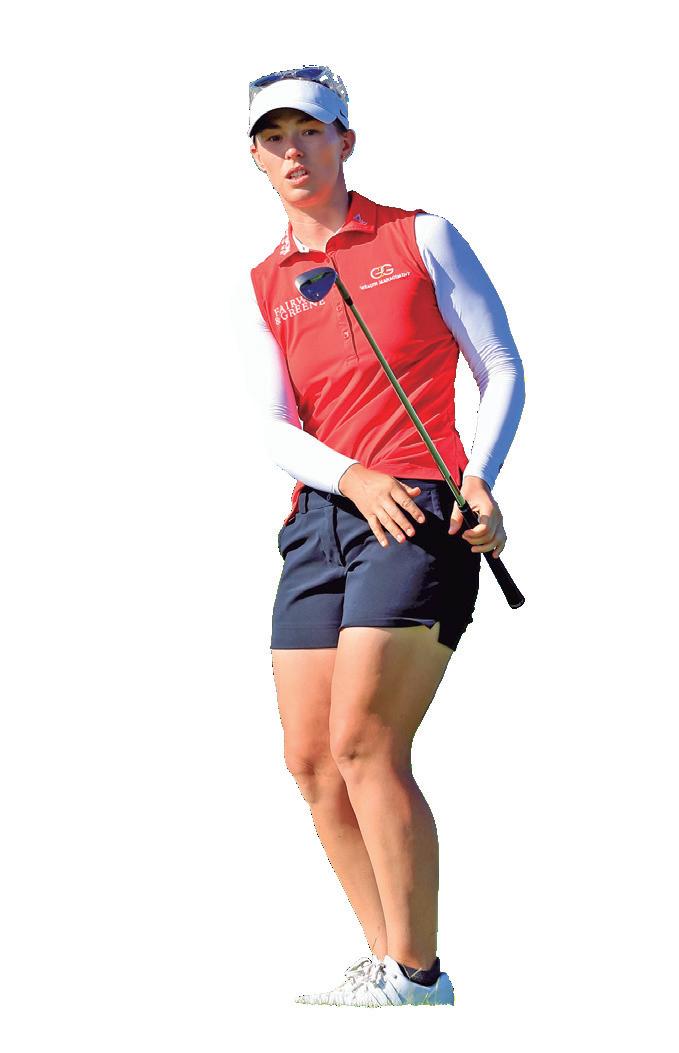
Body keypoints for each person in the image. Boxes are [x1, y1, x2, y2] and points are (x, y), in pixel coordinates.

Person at [242, 65, 525, 1007]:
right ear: (255, 156)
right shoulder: (263, 282)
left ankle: (418, 972)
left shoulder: (420, 235)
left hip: (415, 508)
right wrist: (347, 478)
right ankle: (389, 963)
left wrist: (479, 477)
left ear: (345, 141)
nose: (293, 150)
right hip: (319, 520)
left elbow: (498, 362)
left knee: (365, 740)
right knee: (311, 760)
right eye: (274, 137)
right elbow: (269, 424)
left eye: (309, 131)